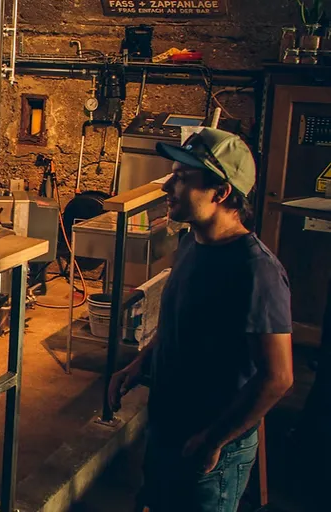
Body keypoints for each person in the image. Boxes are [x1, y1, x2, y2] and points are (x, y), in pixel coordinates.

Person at [108, 128, 295, 512]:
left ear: (221, 192)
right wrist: (140, 363)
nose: (167, 187)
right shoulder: (191, 242)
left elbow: (278, 377)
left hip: (211, 444)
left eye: (182, 179)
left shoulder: (255, 271)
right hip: (167, 424)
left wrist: (214, 440)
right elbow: (180, 321)